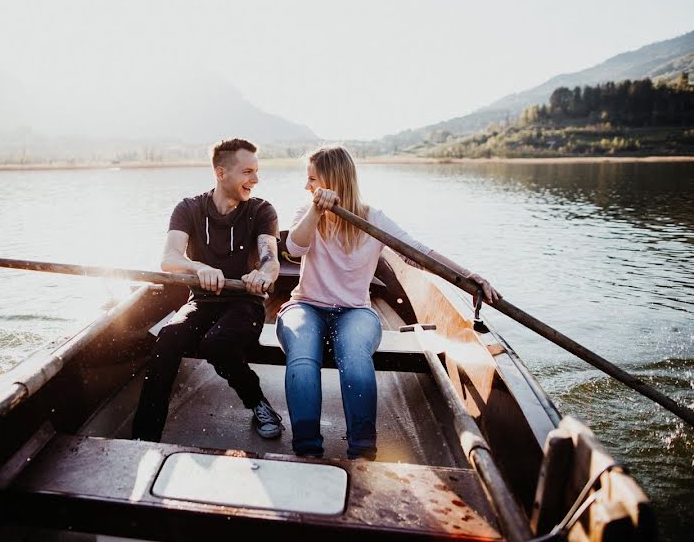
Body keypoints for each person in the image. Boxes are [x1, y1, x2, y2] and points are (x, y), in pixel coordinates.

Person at [276, 146, 499, 460]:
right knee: (302, 357)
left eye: (311, 179)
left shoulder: (374, 219)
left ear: (332, 179)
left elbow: (419, 254)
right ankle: (307, 449)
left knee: (354, 358)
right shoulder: (306, 212)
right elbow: (294, 249)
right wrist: (316, 211)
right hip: (306, 306)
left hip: (355, 311)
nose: (306, 186)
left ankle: (363, 450)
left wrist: (468, 277)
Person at [131, 138, 284, 442]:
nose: (255, 179)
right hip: (201, 301)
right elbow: (170, 258)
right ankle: (143, 438)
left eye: (256, 171)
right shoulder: (188, 208)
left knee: (217, 344)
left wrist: (261, 275)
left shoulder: (262, 211)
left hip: (245, 302)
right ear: (221, 173)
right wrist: (198, 267)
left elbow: (271, 261)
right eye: (247, 172)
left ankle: (259, 404)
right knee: (168, 338)